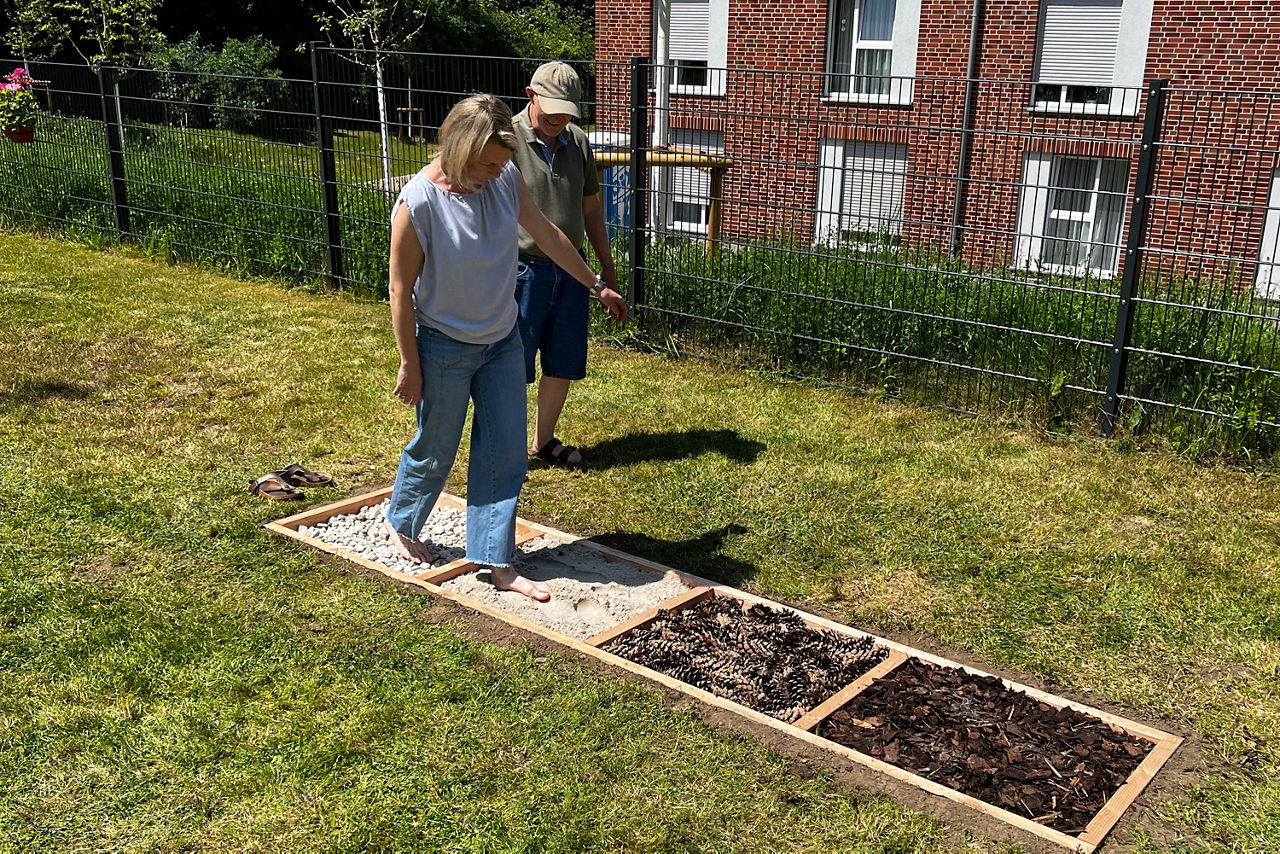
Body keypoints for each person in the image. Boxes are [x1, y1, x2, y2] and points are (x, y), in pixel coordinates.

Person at [383, 93, 604, 602]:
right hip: (443, 345)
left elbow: (548, 234)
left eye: (501, 163)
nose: (494, 172)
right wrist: (409, 363)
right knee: (436, 446)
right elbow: (399, 290)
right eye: (485, 163)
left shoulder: (504, 177)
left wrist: (595, 284)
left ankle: (498, 561)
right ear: (459, 149)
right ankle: (403, 520)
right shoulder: (418, 203)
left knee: (505, 453)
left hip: (503, 339)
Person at [512, 61, 628, 467]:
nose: (559, 119)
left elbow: (592, 210)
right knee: (511, 364)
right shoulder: (506, 139)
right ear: (531, 96)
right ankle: (507, 446)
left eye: (567, 112)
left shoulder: (578, 141)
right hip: (521, 270)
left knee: (562, 360)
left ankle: (543, 442)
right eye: (552, 110)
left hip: (574, 271)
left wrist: (606, 270)